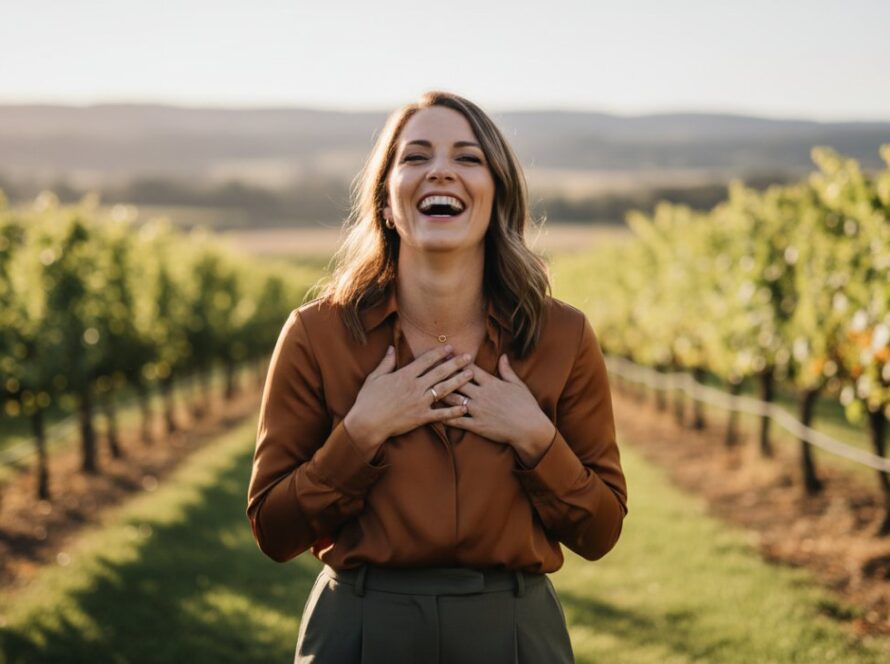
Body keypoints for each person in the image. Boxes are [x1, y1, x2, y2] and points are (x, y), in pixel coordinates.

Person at [246, 90, 629, 664]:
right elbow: (275, 532)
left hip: (516, 638)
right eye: (416, 156)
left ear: (497, 192)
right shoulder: (314, 335)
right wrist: (361, 433)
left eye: (468, 158)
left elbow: (600, 532)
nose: (441, 171)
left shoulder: (564, 337)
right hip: (359, 635)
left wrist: (534, 437)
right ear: (386, 199)